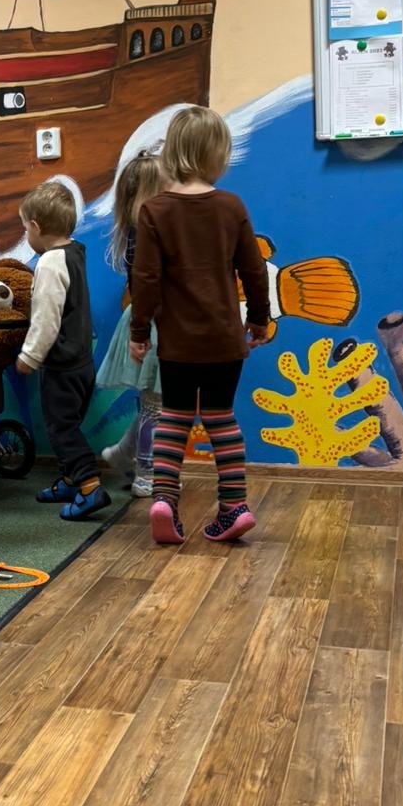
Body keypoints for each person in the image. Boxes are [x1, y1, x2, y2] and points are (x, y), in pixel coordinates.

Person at [130, 106, 271, 546]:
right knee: (220, 418)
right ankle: (234, 506)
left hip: (177, 343)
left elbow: (145, 279)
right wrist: (259, 318)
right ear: (219, 156)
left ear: (171, 154)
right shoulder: (231, 207)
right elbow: (254, 270)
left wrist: (139, 332)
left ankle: (164, 500)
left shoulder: (154, 211)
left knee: (173, 417)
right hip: (224, 340)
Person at [16, 180, 111, 521]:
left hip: (62, 366)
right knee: (68, 423)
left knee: (61, 429)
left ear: (36, 227)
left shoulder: (49, 263)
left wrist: (29, 356)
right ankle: (72, 480)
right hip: (82, 362)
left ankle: (90, 486)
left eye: (25, 228)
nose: (26, 234)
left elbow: (46, 317)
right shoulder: (75, 253)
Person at [96, 151, 167, 497]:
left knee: (158, 404)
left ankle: (124, 451)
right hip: (151, 326)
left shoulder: (148, 234)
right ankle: (146, 471)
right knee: (155, 406)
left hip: (158, 323)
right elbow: (146, 290)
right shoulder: (144, 239)